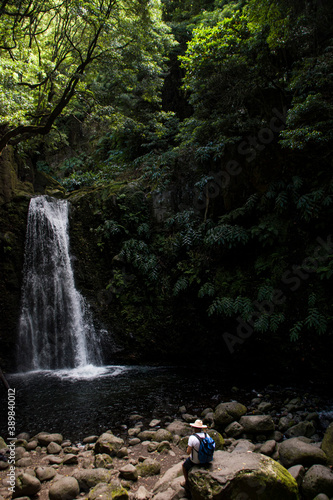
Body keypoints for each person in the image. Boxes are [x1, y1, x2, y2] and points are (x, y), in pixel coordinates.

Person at [182, 419, 209, 492]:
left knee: (184, 466)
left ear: (194, 428)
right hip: (206, 459)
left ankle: (187, 482)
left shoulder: (192, 438)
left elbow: (188, 452)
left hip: (196, 461)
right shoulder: (207, 435)